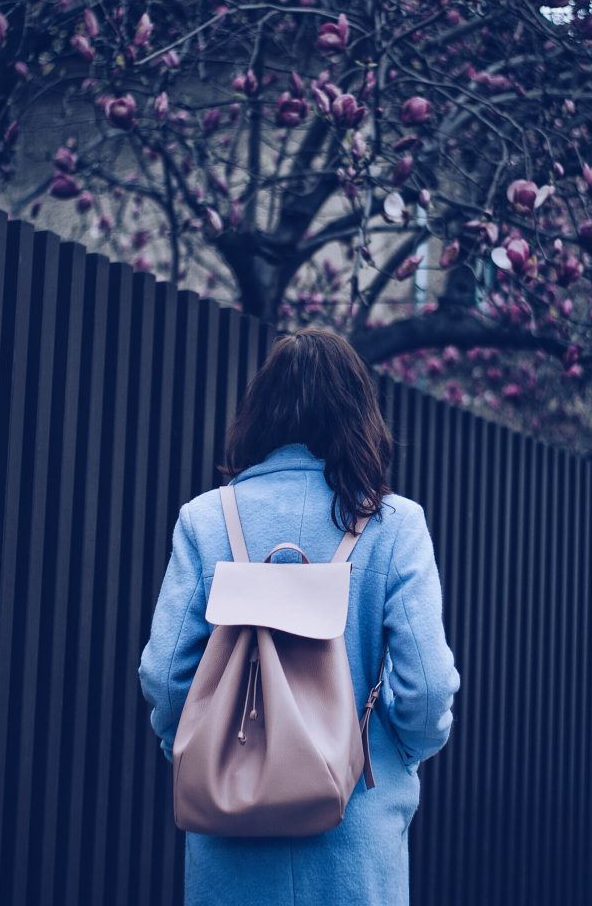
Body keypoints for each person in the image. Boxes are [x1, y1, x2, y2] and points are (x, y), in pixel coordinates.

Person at [138, 326, 461, 906]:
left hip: (230, 832)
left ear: (259, 412)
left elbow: (165, 675)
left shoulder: (206, 520)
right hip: (354, 842)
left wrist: (200, 749)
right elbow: (429, 690)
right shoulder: (395, 525)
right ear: (359, 415)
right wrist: (390, 756)